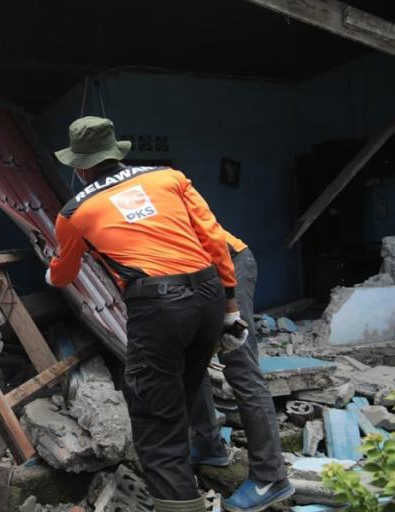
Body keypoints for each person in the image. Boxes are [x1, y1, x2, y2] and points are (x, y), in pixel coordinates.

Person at [46, 116, 247, 512]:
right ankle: (182, 477)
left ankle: (179, 502)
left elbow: (64, 274)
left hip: (159, 307)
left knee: (156, 418)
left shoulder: (76, 211)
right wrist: (230, 307)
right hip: (207, 295)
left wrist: (52, 272)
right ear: (116, 152)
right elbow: (213, 239)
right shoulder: (169, 178)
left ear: (80, 166)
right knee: (181, 395)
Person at [189, 232, 294, 512]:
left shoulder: (162, 191)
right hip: (190, 277)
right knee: (190, 360)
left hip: (228, 264)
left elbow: (211, 239)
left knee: (240, 365)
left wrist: (230, 308)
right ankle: (209, 444)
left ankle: (271, 477)